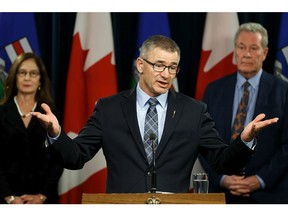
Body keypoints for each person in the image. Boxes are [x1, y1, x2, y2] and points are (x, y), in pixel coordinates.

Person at [32, 35, 278, 195]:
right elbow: (76, 157)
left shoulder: (194, 111)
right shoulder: (109, 108)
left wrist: (245, 140)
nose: (166, 74)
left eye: (172, 67)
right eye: (159, 65)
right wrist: (56, 133)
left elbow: (222, 162)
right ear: (141, 65)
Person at [199, 22, 288, 204]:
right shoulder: (213, 90)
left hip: (267, 196)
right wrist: (221, 178)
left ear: (264, 53)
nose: (247, 54)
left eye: (254, 48)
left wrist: (260, 180)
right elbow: (203, 141)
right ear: (235, 51)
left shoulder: (283, 91)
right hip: (220, 194)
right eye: (241, 47)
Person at [0, 53, 63, 204]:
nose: (27, 77)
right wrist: (9, 197)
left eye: (33, 73)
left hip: (43, 200)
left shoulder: (50, 114)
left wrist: (42, 196)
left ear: (40, 80)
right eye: (22, 72)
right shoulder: (1, 113)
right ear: (15, 77)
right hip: (6, 199)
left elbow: (59, 158)